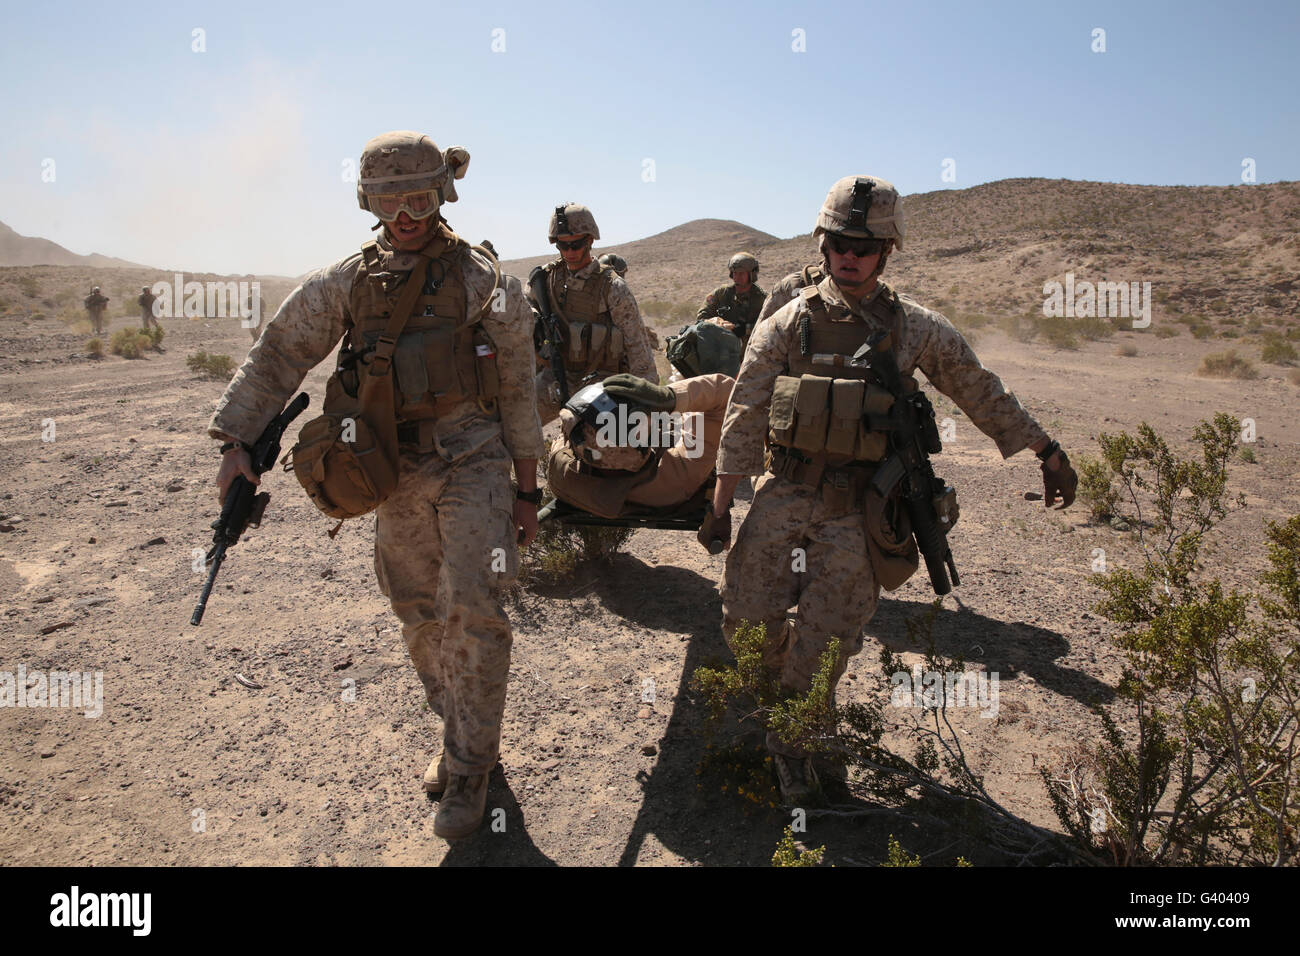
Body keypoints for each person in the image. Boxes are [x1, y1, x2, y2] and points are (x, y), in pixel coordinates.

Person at [207, 130, 545, 840]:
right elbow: (280, 354)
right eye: (391, 200)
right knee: (416, 609)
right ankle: (457, 729)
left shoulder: (483, 282)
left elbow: (517, 385)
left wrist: (526, 485)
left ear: (442, 195)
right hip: (392, 467)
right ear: (369, 202)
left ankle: (472, 768)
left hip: (474, 458)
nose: (406, 214)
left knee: (476, 608)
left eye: (419, 196)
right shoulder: (349, 282)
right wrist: (238, 442)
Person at [704, 175, 1079, 803]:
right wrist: (720, 508)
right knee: (745, 623)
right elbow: (745, 414)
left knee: (828, 637)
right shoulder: (785, 323)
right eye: (841, 242)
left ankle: (796, 741)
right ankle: (788, 713)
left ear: (887, 251)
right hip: (785, 494)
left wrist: (1046, 449)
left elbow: (977, 387)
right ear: (823, 245)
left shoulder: (916, 329)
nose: (851, 255)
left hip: (861, 509)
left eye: (866, 245)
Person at [528, 203, 657, 424]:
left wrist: (649, 404)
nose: (569, 252)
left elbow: (638, 349)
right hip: (556, 376)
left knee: (612, 444)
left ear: (590, 240)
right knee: (518, 426)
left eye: (576, 245)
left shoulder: (612, 287)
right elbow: (520, 314)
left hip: (601, 381)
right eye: (562, 245)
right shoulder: (547, 279)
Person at [545, 372, 731, 517]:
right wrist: (669, 396)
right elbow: (726, 392)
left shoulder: (562, 471)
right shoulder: (676, 478)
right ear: (641, 455)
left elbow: (568, 435)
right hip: (668, 455)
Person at [696, 252, 767, 344]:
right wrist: (716, 323)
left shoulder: (762, 299)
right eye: (734, 273)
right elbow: (702, 317)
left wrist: (746, 329)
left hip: (750, 350)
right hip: (721, 349)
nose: (736, 277)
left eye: (741, 274)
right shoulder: (721, 293)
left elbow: (769, 325)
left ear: (751, 274)